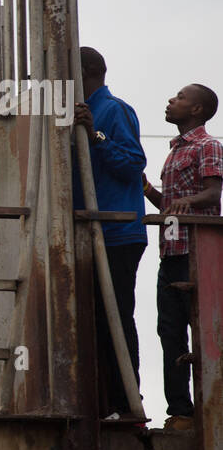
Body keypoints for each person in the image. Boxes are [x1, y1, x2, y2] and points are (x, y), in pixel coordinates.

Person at [71, 47, 148, 421]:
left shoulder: (111, 109)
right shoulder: (83, 110)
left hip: (118, 231)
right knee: (96, 317)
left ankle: (126, 402)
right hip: (91, 230)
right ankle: (109, 402)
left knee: (116, 314)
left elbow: (133, 164)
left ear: (85, 71)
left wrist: (96, 136)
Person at [142, 82, 222, 432]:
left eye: (180, 97)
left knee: (205, 329)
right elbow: (170, 206)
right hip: (172, 252)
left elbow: (212, 193)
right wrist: (148, 190)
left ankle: (210, 406)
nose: (171, 100)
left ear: (197, 110)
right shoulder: (174, 150)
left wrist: (189, 201)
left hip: (197, 254)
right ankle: (181, 412)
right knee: (169, 330)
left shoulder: (208, 146)